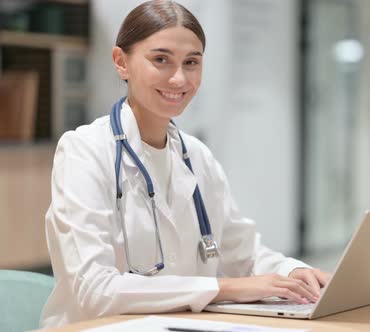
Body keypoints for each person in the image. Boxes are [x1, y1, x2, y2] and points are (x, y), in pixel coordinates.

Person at [40, 1, 329, 328]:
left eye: (191, 62)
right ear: (122, 62)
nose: (179, 78)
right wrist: (223, 288)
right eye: (161, 59)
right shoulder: (84, 151)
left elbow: (244, 254)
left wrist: (294, 272)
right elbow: (95, 290)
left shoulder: (196, 156)